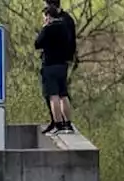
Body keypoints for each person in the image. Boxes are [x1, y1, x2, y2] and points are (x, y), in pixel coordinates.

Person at [36, 3, 76, 134]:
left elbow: (37, 44)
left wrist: (44, 28)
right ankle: (68, 124)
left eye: (44, 17)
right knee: (63, 95)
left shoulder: (48, 29)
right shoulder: (65, 27)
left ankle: (58, 124)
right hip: (62, 65)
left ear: (48, 16)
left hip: (50, 65)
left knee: (53, 96)